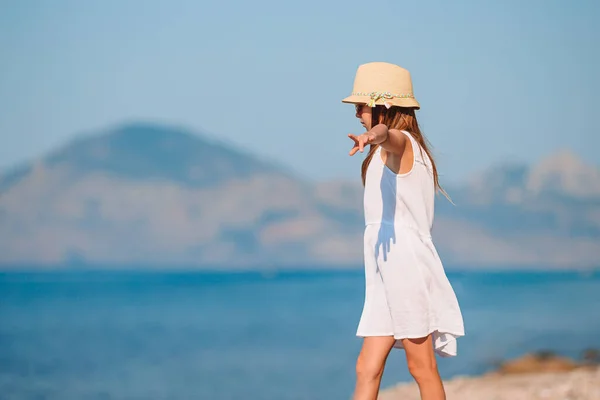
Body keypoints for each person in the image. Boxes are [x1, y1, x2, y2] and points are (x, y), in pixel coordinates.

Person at [342, 62, 465, 400]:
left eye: (362, 106)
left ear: (384, 108)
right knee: (367, 366)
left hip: (406, 264)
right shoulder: (393, 150)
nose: (356, 113)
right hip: (385, 267)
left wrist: (372, 135)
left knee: (421, 366)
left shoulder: (402, 143)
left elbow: (387, 136)